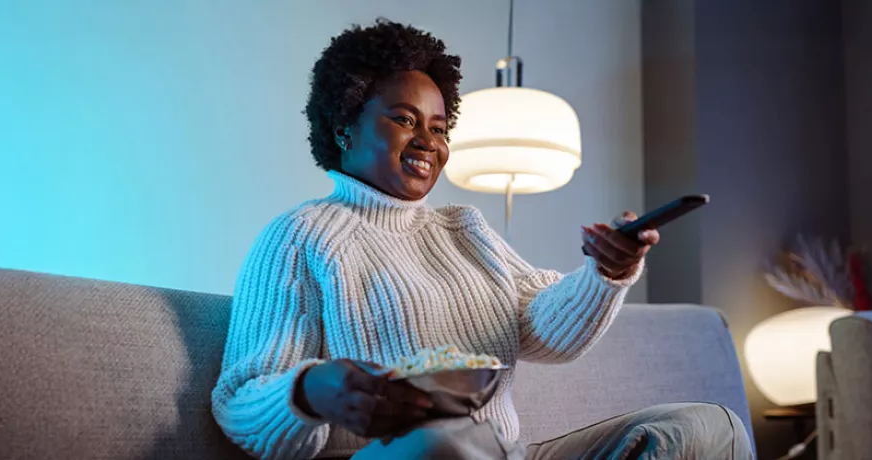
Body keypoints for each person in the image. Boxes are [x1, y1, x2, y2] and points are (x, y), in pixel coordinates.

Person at [211, 19, 751, 460]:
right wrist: (313, 391)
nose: (428, 140)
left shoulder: (463, 228)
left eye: (441, 127)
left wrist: (604, 272)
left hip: (506, 453)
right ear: (343, 128)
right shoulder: (300, 237)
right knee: (440, 444)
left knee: (704, 428)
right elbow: (241, 401)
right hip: (398, 455)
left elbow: (545, 332)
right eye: (404, 119)